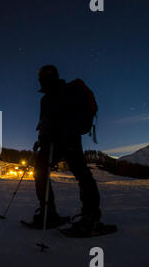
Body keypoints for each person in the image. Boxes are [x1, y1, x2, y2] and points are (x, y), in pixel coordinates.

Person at [31, 65, 102, 235]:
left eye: (43, 76)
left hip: (68, 138)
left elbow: (68, 117)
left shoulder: (67, 91)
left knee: (81, 173)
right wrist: (41, 138)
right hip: (51, 141)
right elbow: (44, 121)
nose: (41, 79)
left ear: (52, 76)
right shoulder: (46, 99)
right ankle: (49, 211)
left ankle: (91, 217)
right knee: (40, 171)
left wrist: (59, 127)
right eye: (40, 76)